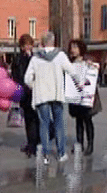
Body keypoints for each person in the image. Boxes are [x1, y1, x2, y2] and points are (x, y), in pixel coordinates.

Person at [24, 32, 84, 165]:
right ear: (54, 41)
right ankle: (61, 153)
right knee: (59, 124)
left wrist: (35, 86)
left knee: (44, 125)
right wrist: (80, 83)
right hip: (57, 94)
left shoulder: (35, 58)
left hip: (41, 95)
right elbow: (72, 71)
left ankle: (45, 155)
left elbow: (27, 78)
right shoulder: (60, 56)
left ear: (43, 42)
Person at [67, 40, 101, 156]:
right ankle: (79, 144)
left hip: (87, 96)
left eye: (75, 47)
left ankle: (90, 144)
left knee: (87, 120)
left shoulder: (88, 61)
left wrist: (93, 68)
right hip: (75, 96)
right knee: (78, 120)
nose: (73, 50)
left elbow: (95, 76)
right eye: (71, 47)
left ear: (81, 48)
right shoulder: (69, 63)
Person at [11, 34, 39, 157]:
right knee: (28, 120)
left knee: (35, 119)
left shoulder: (36, 58)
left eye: (29, 44)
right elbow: (16, 75)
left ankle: (34, 144)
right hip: (24, 93)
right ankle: (30, 144)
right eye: (25, 45)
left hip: (36, 93)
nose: (28, 47)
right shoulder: (18, 59)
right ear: (21, 47)